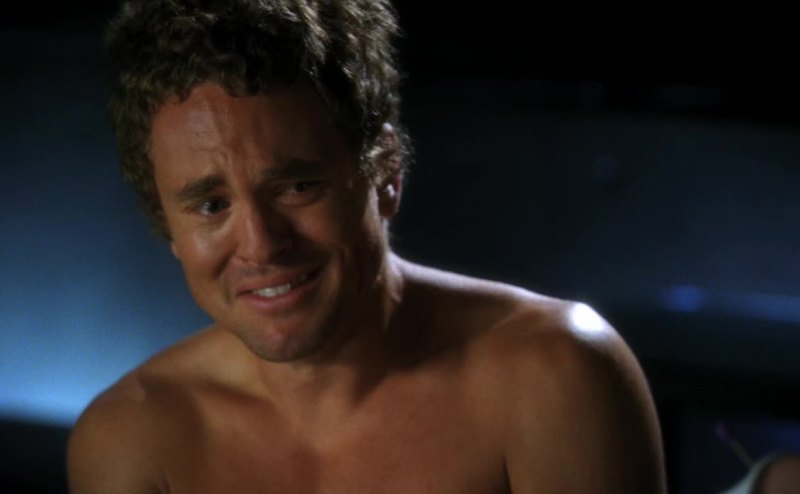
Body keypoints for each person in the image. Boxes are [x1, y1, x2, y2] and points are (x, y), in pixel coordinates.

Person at [67, 0, 667, 492]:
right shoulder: (130, 441)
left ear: (386, 172)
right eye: (211, 206)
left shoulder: (555, 377)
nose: (261, 245)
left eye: (297, 186)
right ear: (167, 226)